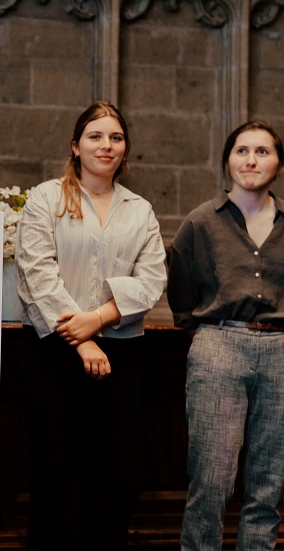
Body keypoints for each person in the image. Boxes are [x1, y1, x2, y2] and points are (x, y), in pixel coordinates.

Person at [14, 101, 166, 551]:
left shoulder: (140, 210)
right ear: (75, 146)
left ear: (125, 149)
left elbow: (152, 279)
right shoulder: (46, 198)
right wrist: (81, 341)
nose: (106, 145)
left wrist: (97, 320)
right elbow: (37, 274)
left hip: (122, 353)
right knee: (56, 475)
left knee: (114, 477)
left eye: (116, 138)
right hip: (54, 353)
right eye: (95, 136)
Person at [169, 121, 284, 551]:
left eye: (262, 151)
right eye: (241, 150)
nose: (251, 160)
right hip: (219, 346)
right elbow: (180, 289)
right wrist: (207, 330)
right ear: (228, 160)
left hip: (281, 350)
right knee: (212, 480)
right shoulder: (201, 221)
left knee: (269, 483)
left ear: (279, 164)